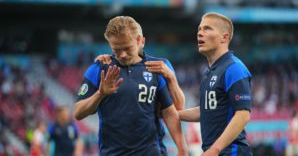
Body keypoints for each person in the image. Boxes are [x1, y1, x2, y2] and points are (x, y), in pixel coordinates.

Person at [74, 16, 187, 156]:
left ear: (139, 40)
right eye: (116, 49)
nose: (122, 54)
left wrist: (182, 149)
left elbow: (171, 111)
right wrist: (100, 94)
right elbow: (78, 112)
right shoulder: (99, 68)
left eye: (127, 48)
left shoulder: (158, 67)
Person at [179, 12, 253, 156]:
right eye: (199, 29)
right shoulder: (210, 72)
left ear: (224, 37)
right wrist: (171, 114)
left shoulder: (234, 68)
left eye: (207, 29)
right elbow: (206, 111)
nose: (200, 33)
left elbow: (243, 115)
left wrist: (214, 149)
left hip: (232, 152)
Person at [95, 54, 185, 156]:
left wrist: (171, 78)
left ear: (140, 40)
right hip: (115, 149)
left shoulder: (161, 64)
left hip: (152, 146)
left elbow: (179, 107)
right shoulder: (109, 64)